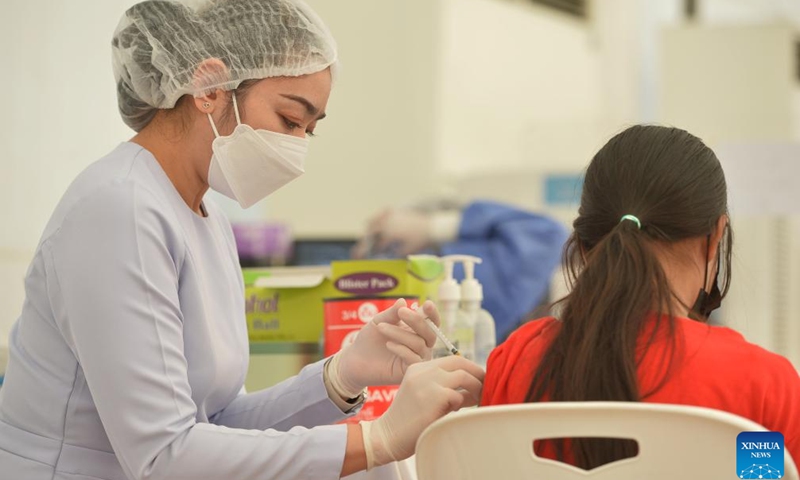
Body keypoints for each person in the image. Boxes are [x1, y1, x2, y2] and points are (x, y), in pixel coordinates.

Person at [0, 1, 484, 479]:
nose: (296, 149)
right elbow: (164, 457)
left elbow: (219, 423)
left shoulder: (205, 217)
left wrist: (341, 376)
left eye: (308, 131)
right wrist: (378, 438)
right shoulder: (119, 208)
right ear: (209, 88)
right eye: (290, 119)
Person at [480, 125, 800, 468]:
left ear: (586, 243)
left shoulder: (516, 362)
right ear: (716, 234)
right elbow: (760, 476)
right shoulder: (761, 387)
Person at [353, 201, 568, 341]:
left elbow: (548, 235)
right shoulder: (529, 262)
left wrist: (430, 227)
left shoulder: (516, 283)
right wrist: (429, 228)